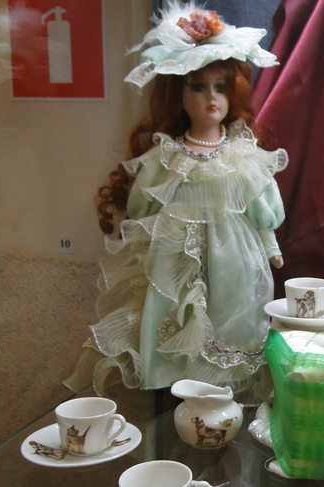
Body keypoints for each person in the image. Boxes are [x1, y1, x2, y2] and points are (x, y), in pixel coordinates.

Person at [64, 3, 286, 395]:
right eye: (198, 88)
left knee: (232, 327)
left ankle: (222, 400)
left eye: (220, 87)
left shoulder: (243, 155)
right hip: (176, 261)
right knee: (175, 327)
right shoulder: (166, 156)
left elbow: (260, 208)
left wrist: (270, 247)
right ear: (178, 96)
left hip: (234, 262)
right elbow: (143, 212)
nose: (211, 98)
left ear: (233, 93)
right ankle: (183, 400)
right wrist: (140, 253)